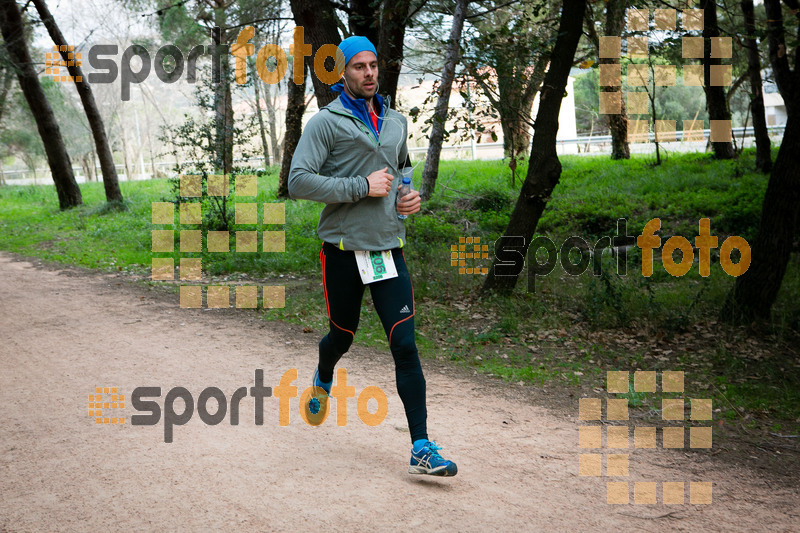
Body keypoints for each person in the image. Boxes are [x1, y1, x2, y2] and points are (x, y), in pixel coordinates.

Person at [288, 36, 457, 477]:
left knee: (404, 344)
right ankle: (323, 375)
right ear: (342, 73)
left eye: (373, 65)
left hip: (388, 251)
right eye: (358, 66)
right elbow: (298, 182)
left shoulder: (396, 121)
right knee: (341, 336)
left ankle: (421, 446)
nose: (368, 73)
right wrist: (360, 187)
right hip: (343, 252)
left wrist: (408, 195)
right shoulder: (325, 122)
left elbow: (402, 168)